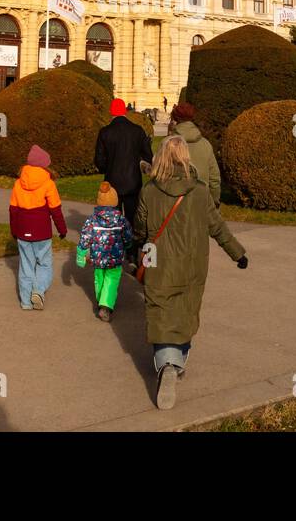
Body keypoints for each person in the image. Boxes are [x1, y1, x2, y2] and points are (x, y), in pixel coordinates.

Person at [135, 135, 247, 410]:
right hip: (193, 264)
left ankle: (166, 363)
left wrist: (135, 245)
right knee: (186, 310)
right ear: (186, 158)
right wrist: (238, 253)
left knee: (160, 311)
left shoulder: (150, 191)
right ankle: (177, 360)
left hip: (158, 263)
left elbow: (139, 227)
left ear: (160, 158)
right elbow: (217, 226)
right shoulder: (199, 191)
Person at [9, 144, 67, 310]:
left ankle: (26, 301)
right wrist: (62, 229)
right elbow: (56, 210)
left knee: (26, 265)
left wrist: (14, 230)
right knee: (44, 263)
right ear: (44, 165)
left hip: (22, 231)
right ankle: (38, 290)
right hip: (42, 232)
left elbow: (13, 211)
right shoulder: (48, 184)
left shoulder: (18, 184)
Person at [77, 182, 134, 321]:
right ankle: (106, 305)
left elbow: (85, 237)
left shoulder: (92, 220)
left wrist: (81, 254)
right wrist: (128, 245)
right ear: (114, 201)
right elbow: (127, 235)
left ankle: (100, 300)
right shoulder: (120, 219)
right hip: (115, 257)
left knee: (99, 278)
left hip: (98, 257)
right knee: (112, 279)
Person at [94, 97, 153, 229]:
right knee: (132, 219)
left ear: (111, 112)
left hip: (112, 181)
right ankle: (131, 248)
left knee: (114, 220)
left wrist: (107, 168)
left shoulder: (105, 132)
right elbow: (148, 155)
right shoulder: (137, 130)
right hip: (133, 182)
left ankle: (117, 247)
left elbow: (99, 160)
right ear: (125, 112)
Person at [168, 102, 221, 207]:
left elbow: (159, 177)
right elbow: (214, 180)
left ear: (175, 119)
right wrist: (214, 201)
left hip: (174, 204)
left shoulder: (166, 145)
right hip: (201, 203)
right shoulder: (205, 144)